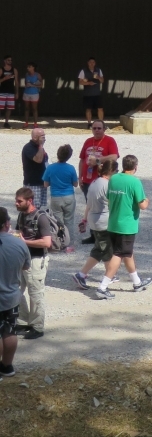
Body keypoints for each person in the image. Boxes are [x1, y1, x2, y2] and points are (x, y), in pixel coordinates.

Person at [98, 155, 152, 294]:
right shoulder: (135, 182)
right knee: (119, 254)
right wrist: (147, 200)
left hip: (113, 222)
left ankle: (137, 282)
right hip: (127, 225)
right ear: (136, 167)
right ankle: (103, 286)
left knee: (127, 252)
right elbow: (142, 205)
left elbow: (109, 198)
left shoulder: (114, 178)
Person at [71, 160, 117, 298]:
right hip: (104, 221)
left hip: (93, 219)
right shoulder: (108, 185)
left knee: (99, 249)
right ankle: (107, 278)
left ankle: (83, 274)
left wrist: (84, 219)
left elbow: (88, 205)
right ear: (111, 171)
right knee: (107, 250)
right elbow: (113, 203)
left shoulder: (94, 183)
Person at [12, 188, 50, 339]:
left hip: (36, 260)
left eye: (19, 201)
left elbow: (47, 242)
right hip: (21, 260)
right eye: (16, 200)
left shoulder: (41, 218)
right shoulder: (22, 215)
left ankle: (37, 327)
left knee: (35, 293)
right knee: (16, 290)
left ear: (30, 201)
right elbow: (17, 232)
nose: (16, 203)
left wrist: (25, 241)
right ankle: (22, 321)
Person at [0, 206, 30, 375]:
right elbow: (26, 266)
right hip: (12, 296)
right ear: (6, 223)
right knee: (10, 331)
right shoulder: (19, 243)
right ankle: (7, 366)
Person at [77, 121, 119, 244]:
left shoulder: (110, 141)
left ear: (104, 129)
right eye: (94, 128)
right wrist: (80, 177)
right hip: (88, 180)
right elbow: (82, 160)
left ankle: (108, 234)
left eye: (99, 128)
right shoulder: (88, 141)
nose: (96, 130)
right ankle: (93, 234)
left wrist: (98, 160)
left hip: (103, 180)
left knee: (106, 207)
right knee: (91, 207)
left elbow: (114, 156)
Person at [42, 144, 78, 253]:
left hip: (56, 196)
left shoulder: (51, 168)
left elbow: (45, 184)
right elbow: (75, 184)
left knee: (57, 221)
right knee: (69, 221)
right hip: (69, 196)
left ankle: (59, 242)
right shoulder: (71, 168)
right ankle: (69, 244)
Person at [21, 127, 48, 210]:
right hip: (33, 184)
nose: (44, 138)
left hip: (41, 183)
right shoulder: (28, 148)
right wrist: (41, 146)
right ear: (35, 137)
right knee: (32, 208)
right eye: (42, 136)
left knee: (40, 208)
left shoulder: (39, 148)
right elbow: (38, 160)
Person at [78, 57, 104, 124]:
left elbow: (102, 81)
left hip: (97, 93)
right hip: (88, 94)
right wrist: (88, 83)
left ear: (95, 63)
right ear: (88, 63)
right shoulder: (83, 71)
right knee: (88, 109)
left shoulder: (98, 70)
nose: (92, 64)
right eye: (90, 62)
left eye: (93, 62)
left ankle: (101, 123)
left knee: (100, 109)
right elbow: (80, 82)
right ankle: (89, 123)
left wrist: (98, 77)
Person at [0, 55, 18, 129]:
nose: (10, 62)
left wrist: (17, 92)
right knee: (0, 107)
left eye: (11, 60)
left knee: (9, 108)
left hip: (11, 92)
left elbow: (16, 82)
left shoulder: (14, 70)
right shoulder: (1, 70)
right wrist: (4, 78)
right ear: (5, 61)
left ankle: (6, 122)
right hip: (2, 92)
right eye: (8, 60)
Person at [21, 62, 41, 127]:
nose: (28, 68)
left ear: (33, 67)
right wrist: (27, 85)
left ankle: (35, 123)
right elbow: (25, 83)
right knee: (26, 108)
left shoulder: (38, 75)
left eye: (29, 67)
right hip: (26, 93)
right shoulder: (26, 74)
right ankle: (26, 122)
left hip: (34, 94)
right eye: (27, 67)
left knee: (34, 109)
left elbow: (41, 85)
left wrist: (33, 85)